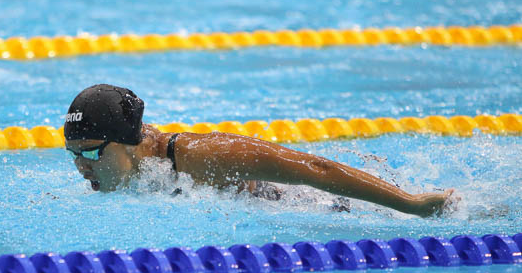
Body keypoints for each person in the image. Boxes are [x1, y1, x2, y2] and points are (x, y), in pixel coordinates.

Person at [63, 84, 454, 217]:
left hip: (312, 205)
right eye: (74, 155)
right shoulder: (133, 172)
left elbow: (314, 169)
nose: (81, 167)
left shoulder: (201, 156)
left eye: (91, 154)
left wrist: (410, 203)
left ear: (128, 145)